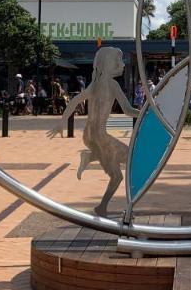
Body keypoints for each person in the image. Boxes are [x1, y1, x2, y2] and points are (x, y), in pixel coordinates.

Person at [48, 46, 139, 216]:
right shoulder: (112, 85)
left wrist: (61, 122)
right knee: (132, 163)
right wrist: (147, 113)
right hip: (100, 137)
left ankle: (90, 159)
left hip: (89, 136)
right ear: (108, 64)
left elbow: (74, 101)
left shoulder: (94, 85)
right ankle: (115, 206)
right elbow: (128, 110)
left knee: (118, 171)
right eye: (118, 61)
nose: (123, 64)